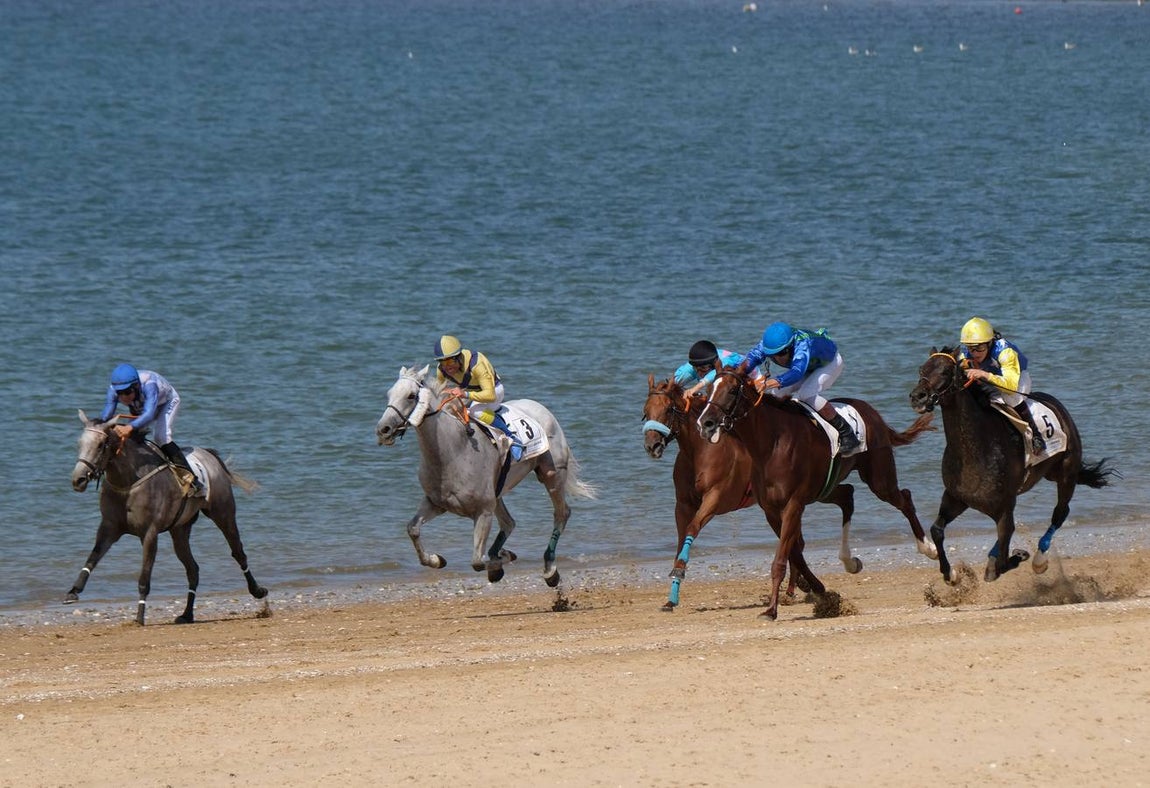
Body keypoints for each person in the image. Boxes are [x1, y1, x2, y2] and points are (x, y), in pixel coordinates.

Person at [738, 321, 860, 454]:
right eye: (772, 355)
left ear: (789, 347)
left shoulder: (803, 345)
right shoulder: (768, 345)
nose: (776, 358)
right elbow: (749, 361)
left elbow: (796, 373)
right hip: (807, 366)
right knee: (775, 394)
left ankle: (847, 433)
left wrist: (766, 384)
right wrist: (735, 375)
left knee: (806, 394)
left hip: (829, 364)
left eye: (780, 354)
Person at [98, 363, 203, 493]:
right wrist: (99, 428)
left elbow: (149, 414)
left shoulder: (149, 385)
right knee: (131, 437)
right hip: (143, 404)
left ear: (136, 386)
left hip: (166, 402)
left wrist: (129, 427)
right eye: (120, 393)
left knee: (161, 437)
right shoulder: (113, 389)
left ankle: (191, 479)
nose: (124, 397)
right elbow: (106, 414)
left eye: (127, 392)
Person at [958, 316, 1045, 453]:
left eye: (979, 347)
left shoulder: (1005, 352)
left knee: (1011, 398)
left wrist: (985, 375)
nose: (974, 353)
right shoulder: (967, 353)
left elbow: (1010, 387)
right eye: (970, 348)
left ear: (989, 343)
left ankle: (1036, 436)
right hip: (990, 378)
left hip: (1016, 379)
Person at [434, 335, 523, 460]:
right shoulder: (441, 370)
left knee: (477, 411)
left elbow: (489, 395)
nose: (446, 367)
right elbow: (439, 391)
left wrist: (464, 394)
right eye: (442, 362)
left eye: (449, 361)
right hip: (471, 394)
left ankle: (512, 438)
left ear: (459, 357)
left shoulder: (477, 364)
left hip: (494, 391)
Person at [673, 340, 761, 397]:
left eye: (703, 369)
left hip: (752, 377)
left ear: (713, 364)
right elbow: (673, 383)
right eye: (696, 369)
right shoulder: (694, 365)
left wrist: (695, 388)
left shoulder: (726, 360)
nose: (699, 373)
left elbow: (715, 374)